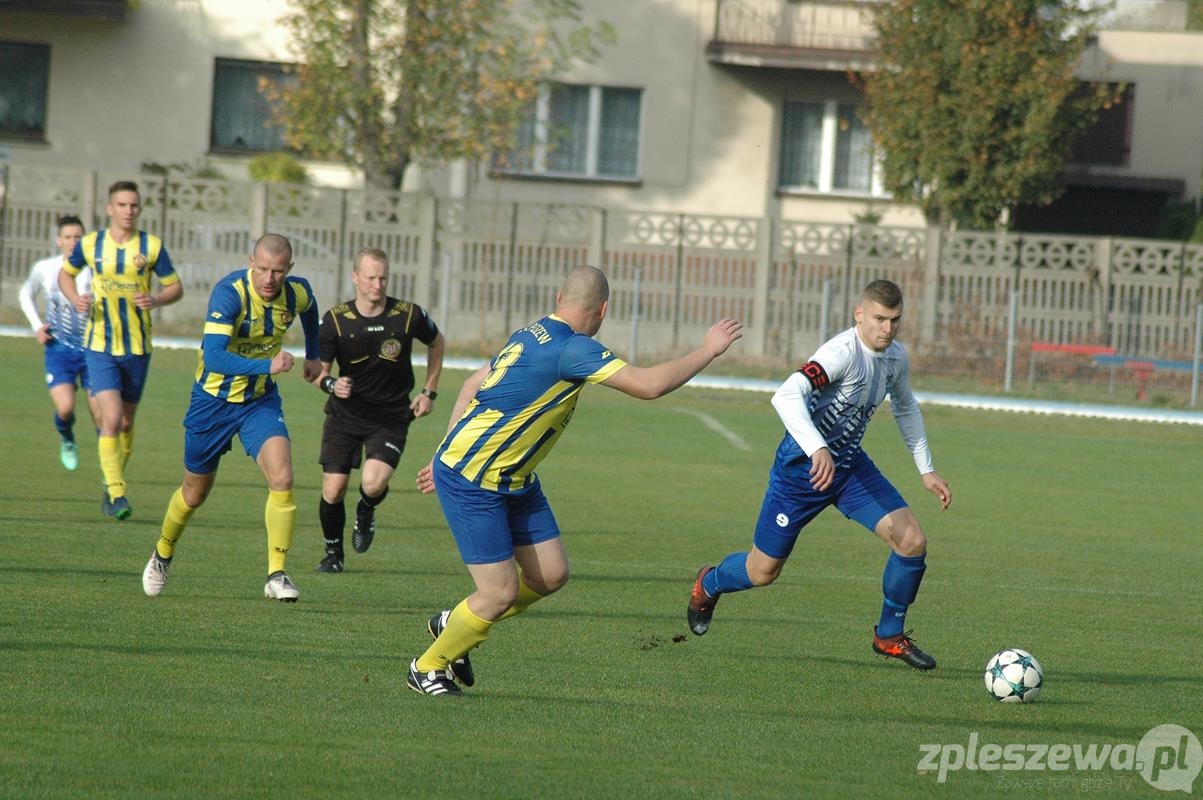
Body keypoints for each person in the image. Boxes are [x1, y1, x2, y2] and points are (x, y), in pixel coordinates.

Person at [407, 264, 743, 696]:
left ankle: (454, 624)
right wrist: (708, 350)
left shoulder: (531, 332)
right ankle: (427, 667)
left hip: (513, 477)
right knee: (499, 591)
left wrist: (443, 450)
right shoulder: (573, 348)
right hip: (475, 480)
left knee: (550, 575)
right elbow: (647, 385)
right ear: (603, 310)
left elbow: (472, 385)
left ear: (558, 300)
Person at [686, 278, 952, 670]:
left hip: (848, 469)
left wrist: (926, 469)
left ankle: (889, 635)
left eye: (895, 320)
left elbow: (906, 407)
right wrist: (817, 448)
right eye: (879, 318)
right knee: (763, 572)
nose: (887, 329)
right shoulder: (840, 353)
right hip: (800, 474)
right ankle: (709, 583)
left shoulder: (896, 357)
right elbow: (787, 395)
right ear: (859, 314)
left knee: (911, 541)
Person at [140, 233, 321, 603]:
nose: (270, 279)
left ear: (289, 270)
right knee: (193, 494)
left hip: (258, 403)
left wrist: (314, 354)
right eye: (264, 269)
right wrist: (267, 364)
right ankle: (162, 553)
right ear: (250, 262)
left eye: (278, 271)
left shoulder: (296, 292)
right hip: (211, 403)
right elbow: (215, 356)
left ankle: (277, 574)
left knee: (283, 476)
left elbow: (311, 308)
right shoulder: (230, 294)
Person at [313, 247, 446, 573]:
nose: (378, 284)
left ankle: (366, 510)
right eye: (371, 277)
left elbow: (437, 342)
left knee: (372, 484)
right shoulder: (335, 321)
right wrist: (331, 385)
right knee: (333, 489)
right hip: (344, 416)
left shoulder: (408, 315)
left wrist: (429, 391)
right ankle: (333, 555)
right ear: (355, 277)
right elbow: (318, 371)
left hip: (390, 417)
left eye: (383, 277)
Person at [58, 180, 183, 520]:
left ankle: (110, 481)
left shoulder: (151, 246)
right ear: (110, 209)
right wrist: (74, 299)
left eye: (135, 206)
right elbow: (65, 275)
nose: (129, 211)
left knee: (126, 423)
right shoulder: (91, 244)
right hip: (99, 345)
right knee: (110, 418)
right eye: (123, 205)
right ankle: (116, 493)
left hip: (138, 348)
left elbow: (175, 287)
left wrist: (156, 298)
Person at [19, 214, 100, 471]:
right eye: (68, 237)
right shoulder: (46, 268)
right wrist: (36, 326)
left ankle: (110, 474)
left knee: (102, 417)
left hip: (93, 351)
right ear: (58, 240)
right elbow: (25, 293)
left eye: (78, 237)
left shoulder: (96, 269)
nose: (73, 242)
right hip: (59, 350)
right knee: (65, 409)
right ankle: (67, 438)